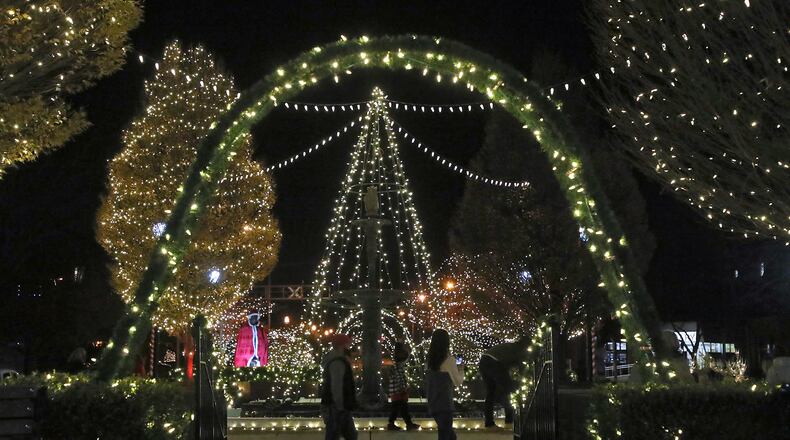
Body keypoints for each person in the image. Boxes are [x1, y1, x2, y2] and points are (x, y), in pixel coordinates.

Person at [479, 336, 530, 429]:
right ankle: (509, 421)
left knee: (491, 393)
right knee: (508, 390)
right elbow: (521, 368)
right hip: (494, 362)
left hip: (484, 360)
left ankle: (489, 423)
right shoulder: (519, 350)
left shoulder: (510, 346)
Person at [426, 329, 464, 440]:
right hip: (445, 404)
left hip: (433, 402)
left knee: (448, 435)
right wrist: (461, 369)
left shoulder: (429, 361)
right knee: (446, 435)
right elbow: (458, 382)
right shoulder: (449, 360)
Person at [321, 334, 358, 440]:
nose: (349, 347)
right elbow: (336, 385)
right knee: (340, 435)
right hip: (337, 406)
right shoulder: (337, 362)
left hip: (339, 405)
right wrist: (340, 405)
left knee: (347, 435)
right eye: (348, 344)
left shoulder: (338, 360)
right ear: (342, 345)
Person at [387, 341, 420, 431]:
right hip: (398, 392)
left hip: (396, 392)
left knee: (399, 409)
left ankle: (396, 423)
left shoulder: (396, 366)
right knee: (401, 409)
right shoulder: (397, 367)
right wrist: (404, 390)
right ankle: (406, 424)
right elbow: (399, 380)